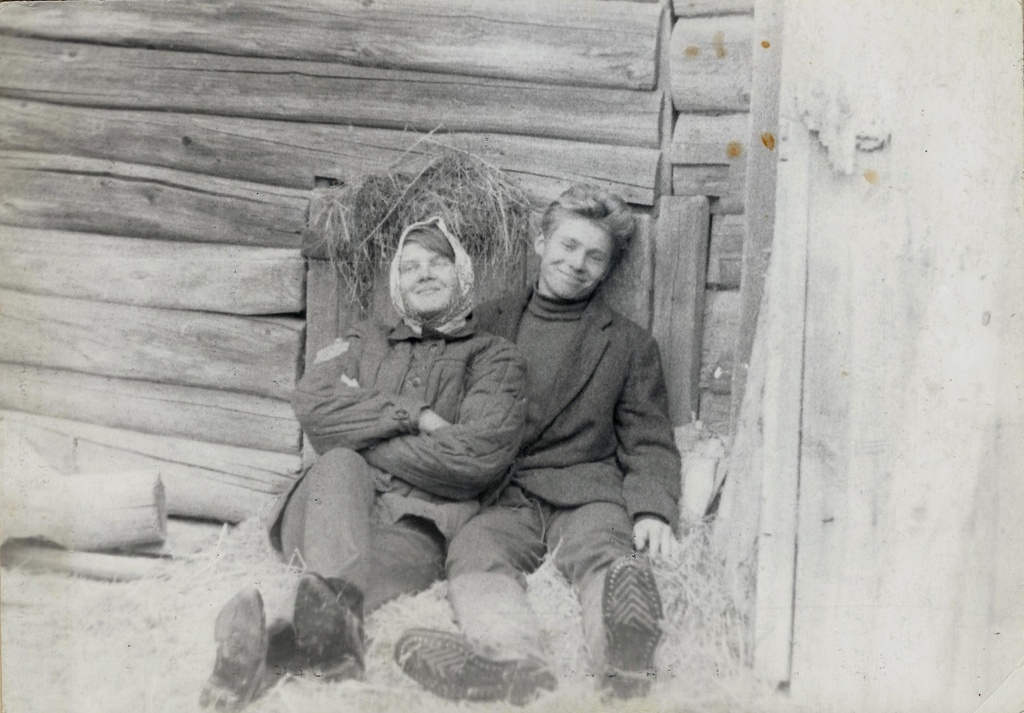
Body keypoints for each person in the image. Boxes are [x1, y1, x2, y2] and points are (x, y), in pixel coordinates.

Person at [200, 217, 527, 712]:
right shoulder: (361, 339)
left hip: (415, 526)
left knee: (336, 586)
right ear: (396, 281)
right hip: (323, 506)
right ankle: (322, 643)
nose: (423, 274)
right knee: (342, 464)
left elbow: (475, 459)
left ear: (463, 275)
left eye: (438, 262)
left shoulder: (495, 359)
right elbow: (312, 407)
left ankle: (256, 656)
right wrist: (414, 415)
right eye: (410, 265)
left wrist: (360, 420)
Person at [394, 185, 684, 705]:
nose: (577, 264)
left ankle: (624, 664)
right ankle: (513, 662)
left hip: (586, 492)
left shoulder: (629, 343)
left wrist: (652, 510)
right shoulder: (486, 321)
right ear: (539, 242)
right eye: (568, 246)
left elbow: (649, 440)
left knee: (607, 558)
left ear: (608, 269)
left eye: (595, 257)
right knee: (475, 554)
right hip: (505, 491)